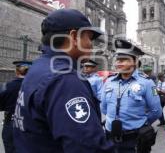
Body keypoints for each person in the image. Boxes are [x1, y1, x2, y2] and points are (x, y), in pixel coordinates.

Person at [13, 9, 115, 153]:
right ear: (74, 37)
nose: (91, 45)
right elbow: (88, 147)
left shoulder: (38, 67)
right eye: (89, 38)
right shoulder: (65, 80)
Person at [101, 39, 162, 153]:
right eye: (117, 60)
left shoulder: (146, 83)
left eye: (123, 60)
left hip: (133, 140)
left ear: (135, 61)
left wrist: (140, 123)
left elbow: (156, 111)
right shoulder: (109, 82)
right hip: (109, 138)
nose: (118, 63)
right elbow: (104, 108)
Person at [0, 61, 32, 153]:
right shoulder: (37, 87)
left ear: (17, 72)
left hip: (11, 122)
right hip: (29, 124)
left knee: (10, 148)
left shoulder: (7, 86)